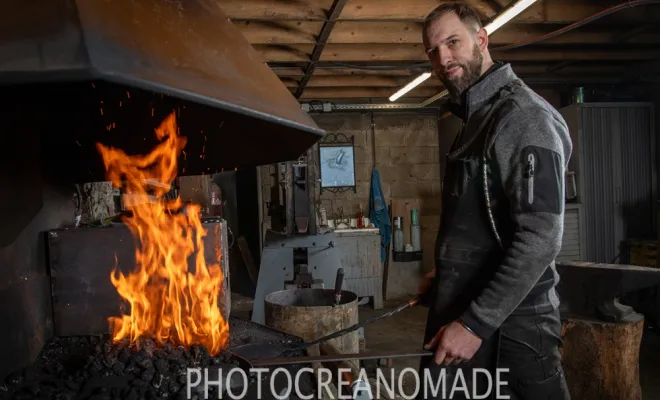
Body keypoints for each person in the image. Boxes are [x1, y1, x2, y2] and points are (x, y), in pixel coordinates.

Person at [416, 2, 572, 399]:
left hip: (513, 332)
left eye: (453, 42)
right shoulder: (477, 117)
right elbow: (484, 220)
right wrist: (448, 271)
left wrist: (474, 325)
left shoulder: (523, 117)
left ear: (481, 40)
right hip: (466, 307)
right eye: (433, 50)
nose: (443, 58)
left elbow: (540, 239)